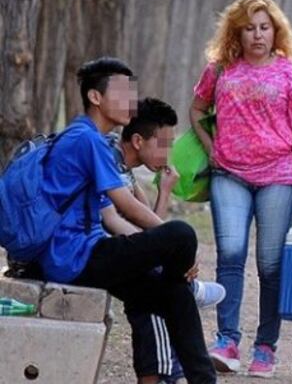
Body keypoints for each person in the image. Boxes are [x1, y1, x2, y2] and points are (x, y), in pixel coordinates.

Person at [41, 57, 217, 384]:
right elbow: (125, 207)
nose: (131, 102)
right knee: (181, 234)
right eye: (122, 92)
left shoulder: (93, 140)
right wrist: (173, 249)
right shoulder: (87, 139)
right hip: (75, 258)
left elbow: (118, 211)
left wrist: (164, 258)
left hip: (89, 254)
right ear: (96, 97)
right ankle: (183, 278)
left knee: (175, 295)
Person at [190, 0, 292, 377]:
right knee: (230, 253)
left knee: (270, 263)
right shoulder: (220, 69)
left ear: (275, 31)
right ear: (237, 32)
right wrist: (211, 147)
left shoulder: (289, 73)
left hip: (279, 176)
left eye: (264, 27)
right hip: (229, 174)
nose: (257, 35)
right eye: (249, 28)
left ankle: (265, 346)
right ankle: (227, 340)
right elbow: (197, 108)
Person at [101, 98, 227, 384]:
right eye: (164, 144)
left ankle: (185, 289)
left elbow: (149, 225)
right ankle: (163, 371)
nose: (169, 153)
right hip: (101, 254)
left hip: (126, 252)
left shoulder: (126, 170)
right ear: (137, 141)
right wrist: (168, 251)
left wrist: (165, 191)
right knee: (162, 275)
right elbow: (118, 222)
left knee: (166, 283)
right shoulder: (107, 162)